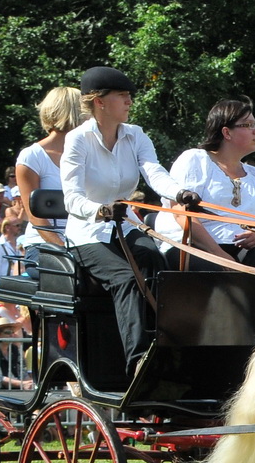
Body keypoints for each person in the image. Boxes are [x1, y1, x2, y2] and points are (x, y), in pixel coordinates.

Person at [60, 66, 196, 370]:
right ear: (99, 101)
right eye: (123, 95)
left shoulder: (135, 135)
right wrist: (100, 210)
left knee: (157, 263)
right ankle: (138, 363)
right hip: (88, 232)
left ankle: (171, 351)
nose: (129, 101)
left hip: (124, 223)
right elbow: (71, 197)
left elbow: (154, 171)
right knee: (125, 277)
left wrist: (180, 193)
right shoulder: (78, 140)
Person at [158, 97, 255, 273]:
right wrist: (219, 255)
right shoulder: (195, 160)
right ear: (227, 132)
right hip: (195, 247)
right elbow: (180, 213)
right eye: (248, 125)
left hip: (246, 251)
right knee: (215, 274)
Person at [15, 86, 87, 249]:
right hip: (45, 245)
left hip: (86, 242)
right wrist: (63, 248)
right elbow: (35, 217)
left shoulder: (89, 154)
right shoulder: (32, 157)